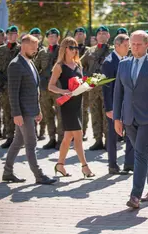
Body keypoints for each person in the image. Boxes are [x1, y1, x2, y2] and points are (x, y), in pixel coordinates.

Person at [113, 30, 148, 209]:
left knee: (140, 154)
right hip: (129, 118)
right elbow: (118, 93)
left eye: (139, 44)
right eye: (133, 44)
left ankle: (135, 195)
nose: (135, 47)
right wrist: (117, 118)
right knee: (144, 154)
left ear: (147, 45)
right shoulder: (123, 64)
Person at [2, 35, 56, 184]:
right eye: (33, 46)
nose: (36, 49)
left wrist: (38, 110)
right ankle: (39, 175)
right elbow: (12, 92)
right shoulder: (15, 65)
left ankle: (7, 172)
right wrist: (16, 114)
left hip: (31, 110)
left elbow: (33, 90)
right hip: (23, 113)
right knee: (31, 143)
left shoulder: (30, 63)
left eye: (37, 46)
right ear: (24, 45)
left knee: (18, 141)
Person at [48, 37, 95, 178]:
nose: (75, 50)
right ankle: (85, 167)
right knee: (78, 136)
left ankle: (60, 165)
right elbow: (50, 86)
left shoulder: (78, 65)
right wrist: (63, 91)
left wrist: (87, 86)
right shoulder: (59, 66)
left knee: (68, 137)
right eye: (71, 47)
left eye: (76, 47)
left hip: (78, 104)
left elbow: (80, 83)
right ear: (64, 49)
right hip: (68, 105)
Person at [102, 34, 133, 175]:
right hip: (114, 106)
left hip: (128, 104)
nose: (129, 48)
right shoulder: (109, 62)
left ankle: (129, 164)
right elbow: (107, 87)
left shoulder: (127, 59)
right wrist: (109, 108)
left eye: (129, 45)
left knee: (130, 133)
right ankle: (113, 165)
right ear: (117, 46)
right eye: (126, 46)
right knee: (113, 135)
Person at [81, 26, 110, 150]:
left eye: (104, 33)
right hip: (93, 88)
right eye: (100, 33)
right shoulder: (90, 51)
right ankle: (98, 139)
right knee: (95, 113)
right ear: (96, 37)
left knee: (107, 114)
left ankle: (109, 140)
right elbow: (80, 64)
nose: (102, 35)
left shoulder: (113, 50)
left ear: (108, 36)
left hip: (107, 87)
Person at [34, 28, 63, 149]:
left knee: (60, 113)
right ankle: (52, 138)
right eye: (49, 36)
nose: (52, 38)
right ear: (47, 38)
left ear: (58, 38)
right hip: (45, 88)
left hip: (58, 87)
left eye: (54, 36)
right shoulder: (42, 52)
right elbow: (35, 67)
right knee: (47, 114)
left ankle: (61, 139)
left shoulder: (62, 51)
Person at [0, 25, 21, 148]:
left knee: (19, 112)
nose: (13, 36)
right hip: (5, 87)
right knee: (7, 112)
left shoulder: (22, 49)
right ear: (7, 35)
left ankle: (20, 138)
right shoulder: (1, 50)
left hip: (18, 86)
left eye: (15, 33)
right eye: (11, 34)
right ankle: (10, 137)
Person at [74, 27, 90, 141]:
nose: (79, 35)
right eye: (77, 34)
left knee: (83, 109)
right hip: (72, 83)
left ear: (85, 36)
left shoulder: (89, 50)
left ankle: (82, 132)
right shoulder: (70, 49)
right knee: (73, 108)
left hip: (85, 83)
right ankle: (74, 131)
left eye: (81, 33)